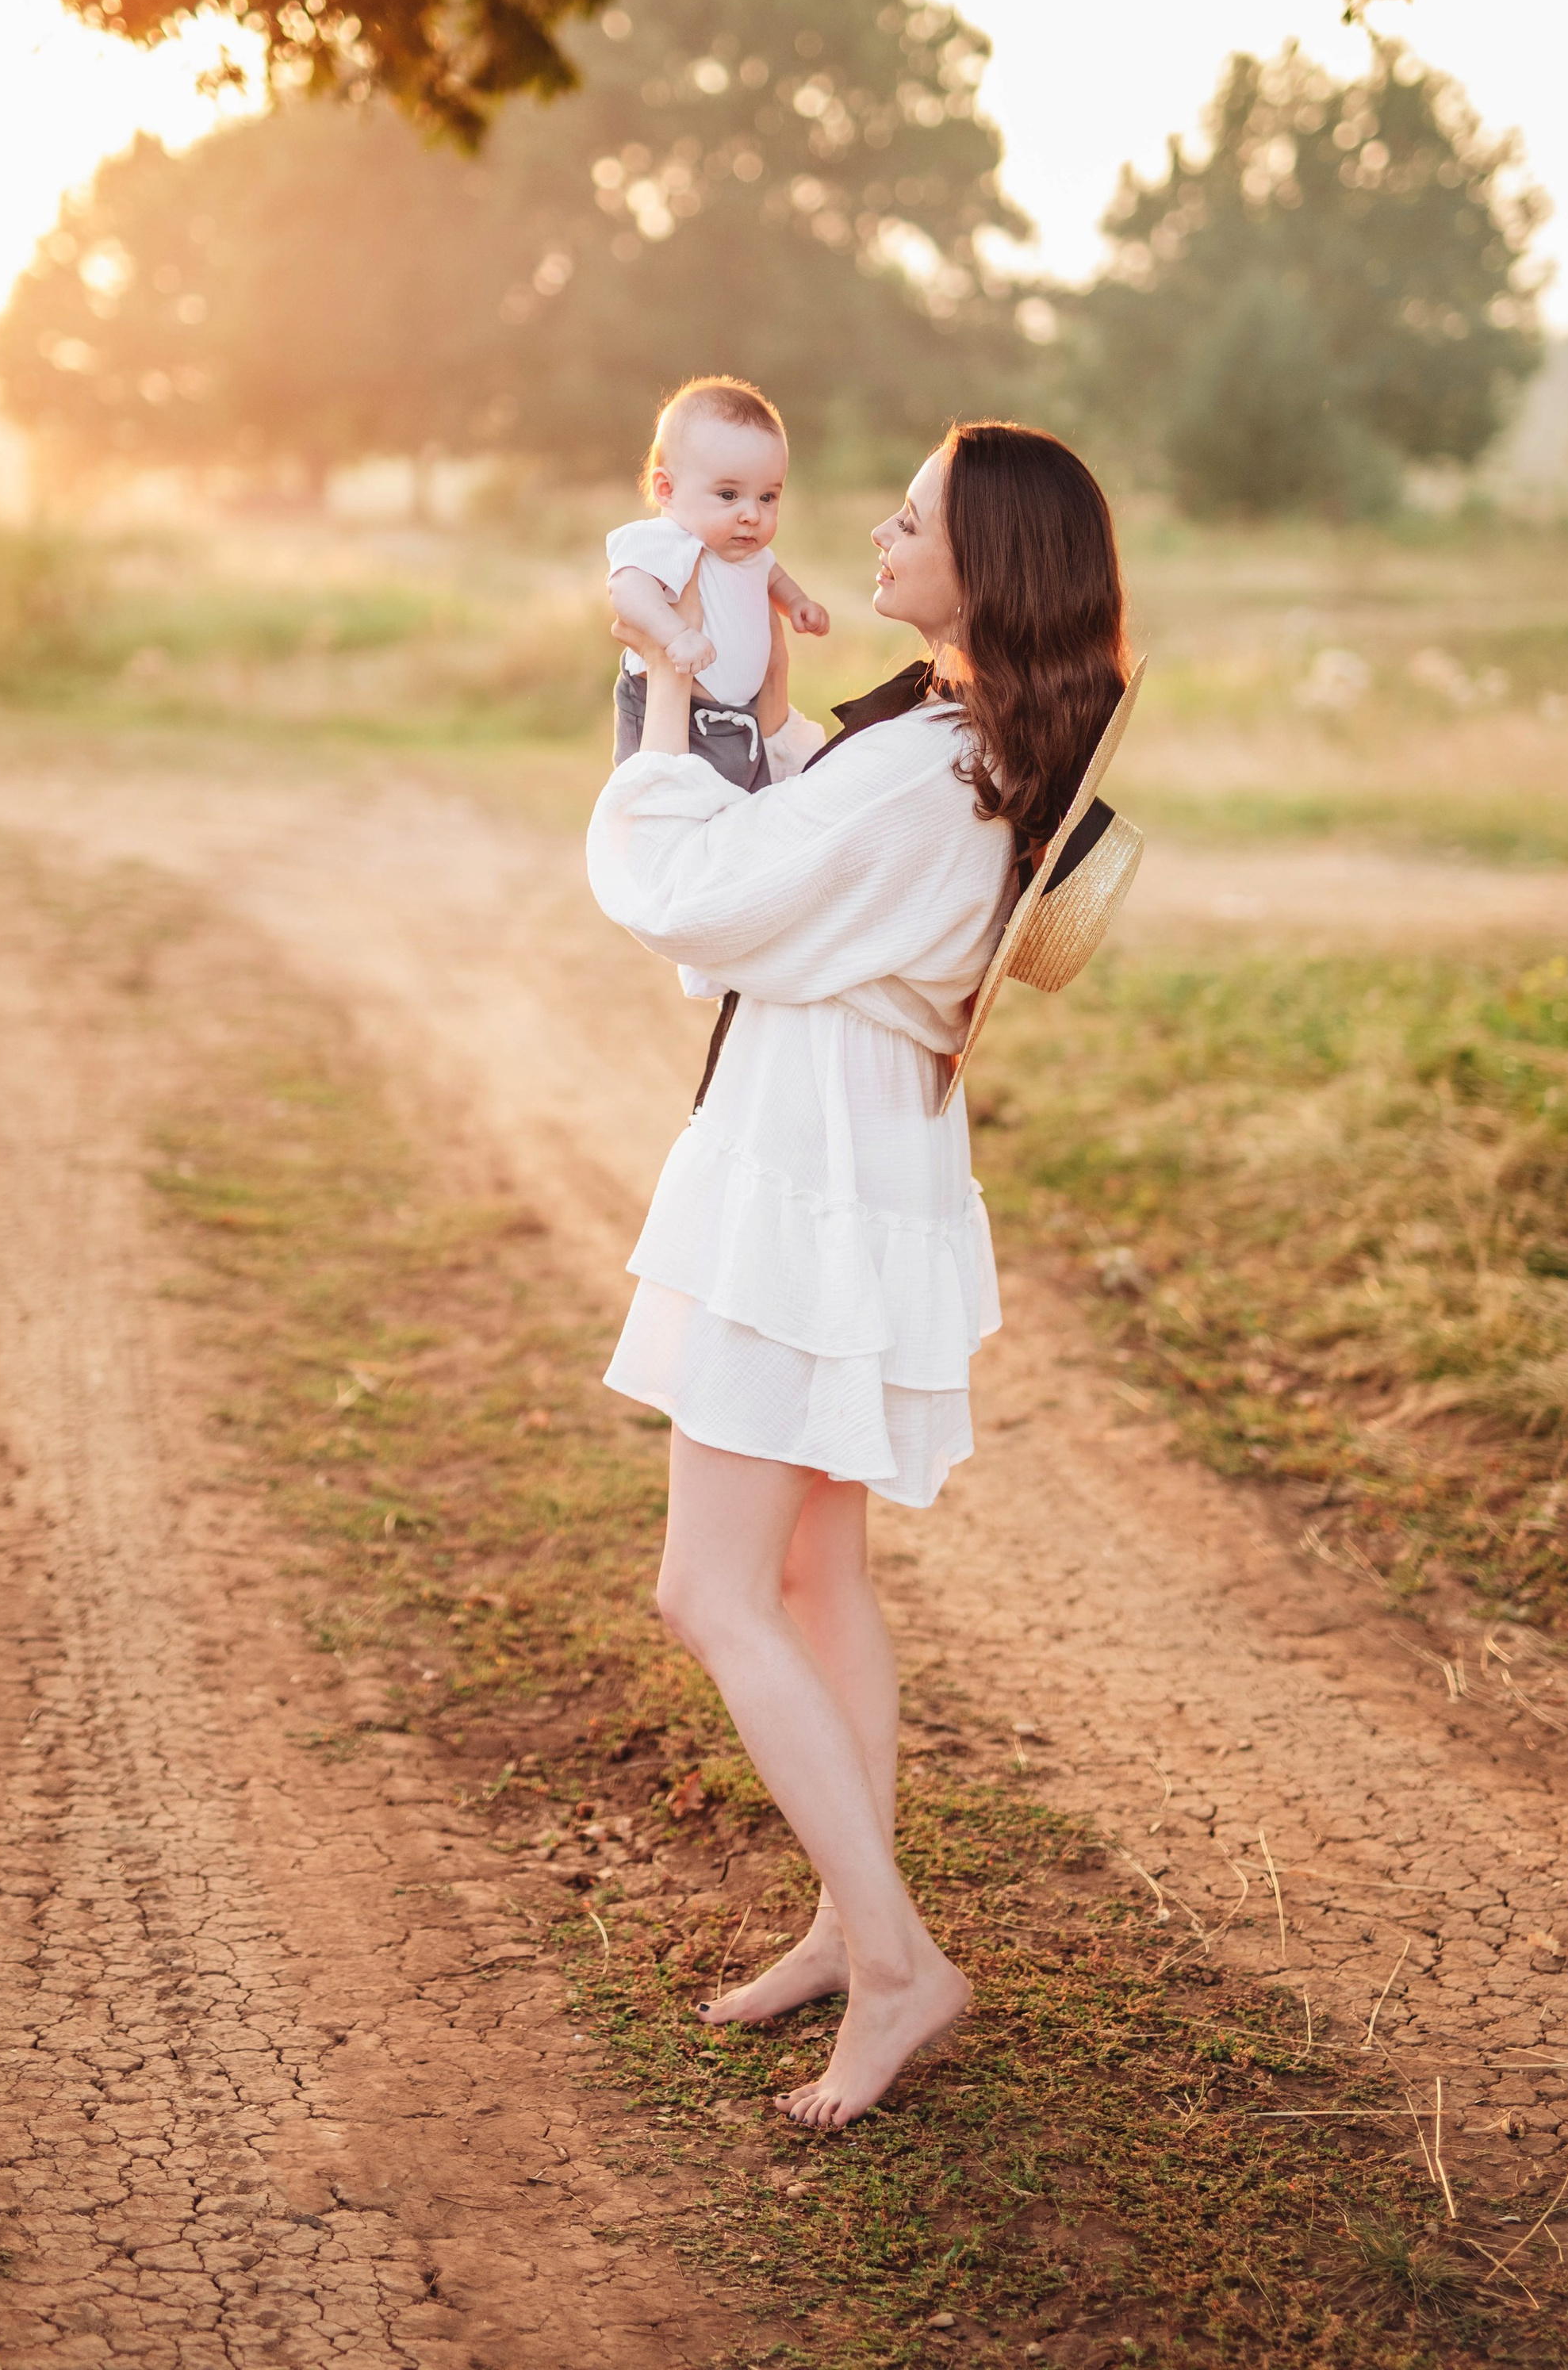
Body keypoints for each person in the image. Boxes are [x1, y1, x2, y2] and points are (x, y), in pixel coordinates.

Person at [586, 420, 1131, 2128]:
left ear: (989, 570)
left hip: (804, 1172)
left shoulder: (916, 769)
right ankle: (847, 1921)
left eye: (912, 521)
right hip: (865, 1156)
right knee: (819, 1573)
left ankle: (897, 1961)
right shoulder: (960, 747)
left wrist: (667, 696)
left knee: (711, 1589)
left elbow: (689, 893)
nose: (877, 538)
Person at [606, 375, 830, 795]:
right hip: (674, 710)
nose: (752, 514)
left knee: (732, 811)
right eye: (729, 495)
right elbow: (626, 590)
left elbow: (774, 575)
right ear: (666, 489)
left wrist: (797, 602)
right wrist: (675, 635)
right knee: (668, 802)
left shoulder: (749, 553)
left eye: (767, 497)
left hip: (738, 716)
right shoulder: (668, 540)